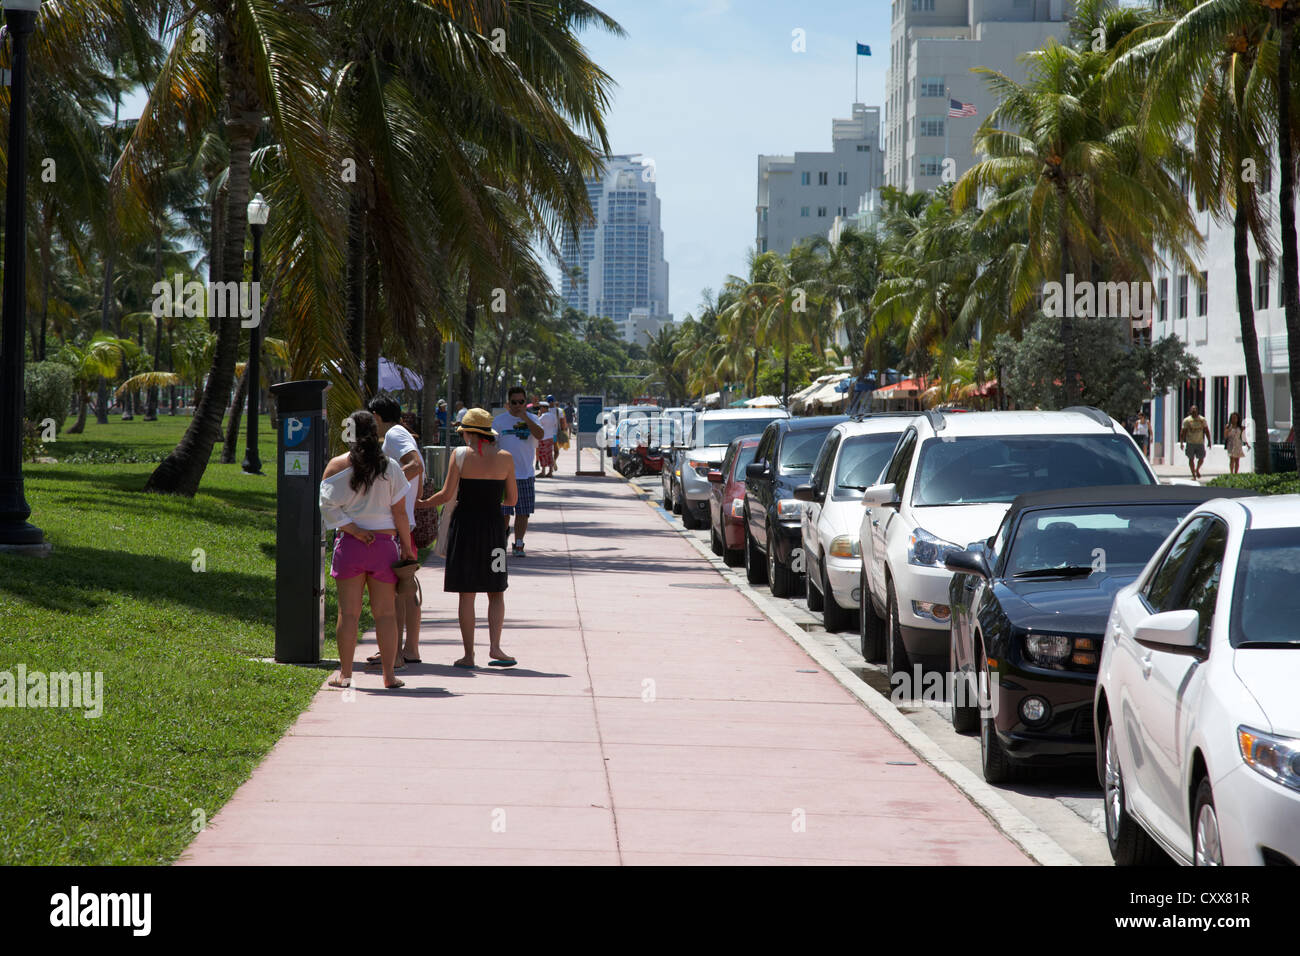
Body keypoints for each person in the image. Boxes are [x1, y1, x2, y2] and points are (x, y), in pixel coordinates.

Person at [319, 410, 415, 689]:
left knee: (348, 614)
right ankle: (389, 675)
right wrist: (407, 549)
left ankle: (345, 676)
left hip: (350, 546)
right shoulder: (391, 467)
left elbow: (325, 505)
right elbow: (400, 514)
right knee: (385, 614)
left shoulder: (336, 466)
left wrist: (355, 531)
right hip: (384, 547)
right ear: (376, 433)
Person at [417, 408, 519, 668]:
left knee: (467, 593)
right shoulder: (506, 458)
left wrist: (420, 504)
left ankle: (469, 655)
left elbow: (445, 494)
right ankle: (495, 649)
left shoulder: (459, 456)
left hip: (465, 529)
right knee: (496, 590)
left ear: (469, 433)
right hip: (494, 530)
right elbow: (512, 500)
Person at [367, 394, 425, 665]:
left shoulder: (394, 435)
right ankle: (408, 649)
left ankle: (395, 651)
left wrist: (384, 484)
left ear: (376, 417)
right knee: (406, 589)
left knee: (395, 592)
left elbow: (415, 465)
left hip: (396, 525)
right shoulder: (403, 434)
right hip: (406, 522)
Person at [494, 386, 544, 555]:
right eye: (514, 402)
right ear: (509, 403)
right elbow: (492, 444)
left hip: (525, 474)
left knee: (523, 512)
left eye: (521, 402)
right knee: (504, 513)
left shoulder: (532, 419)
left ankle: (519, 543)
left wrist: (525, 418)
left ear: (525, 402)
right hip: (503, 475)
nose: (517, 405)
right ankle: (501, 543)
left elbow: (540, 435)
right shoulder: (499, 421)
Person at [1180, 405, 1209, 481]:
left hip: (1200, 442)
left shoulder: (1202, 420)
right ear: (1190, 411)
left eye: (1195, 409)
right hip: (1190, 443)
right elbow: (1183, 432)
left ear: (1198, 410)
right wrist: (1181, 442)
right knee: (1191, 459)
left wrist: (1209, 441)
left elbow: (1206, 430)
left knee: (1201, 458)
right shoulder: (1187, 420)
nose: (1194, 410)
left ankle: (1197, 469)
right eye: (1192, 409)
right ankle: (1193, 475)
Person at [535, 399, 559, 478]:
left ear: (544, 408)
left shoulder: (543, 416)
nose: (540, 409)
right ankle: (550, 471)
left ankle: (543, 471)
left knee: (542, 454)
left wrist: (539, 415)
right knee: (549, 455)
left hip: (543, 438)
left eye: (541, 407)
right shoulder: (552, 415)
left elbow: (537, 423)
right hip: (551, 437)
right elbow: (555, 425)